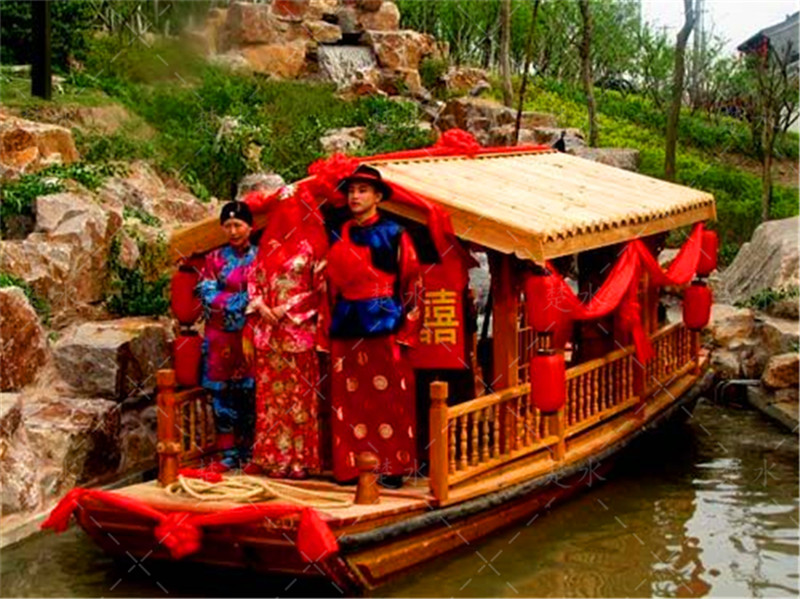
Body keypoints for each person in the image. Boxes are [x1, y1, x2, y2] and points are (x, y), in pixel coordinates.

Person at [326, 165, 423, 488]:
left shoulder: (395, 233)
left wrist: (409, 330)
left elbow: (412, 282)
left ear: (378, 197)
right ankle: (351, 466)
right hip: (346, 320)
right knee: (348, 397)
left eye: (363, 190)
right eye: (351, 191)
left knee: (389, 396)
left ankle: (392, 466)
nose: (355, 196)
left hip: (384, 319)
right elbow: (328, 285)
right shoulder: (337, 233)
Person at [245, 185, 329, 479]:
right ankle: (274, 457)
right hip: (268, 333)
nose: (286, 215)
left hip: (298, 331)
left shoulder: (312, 249)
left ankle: (300, 459)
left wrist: (287, 307)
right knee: (271, 400)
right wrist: (260, 305)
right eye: (282, 209)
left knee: (299, 398)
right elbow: (253, 282)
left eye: (292, 208)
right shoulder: (266, 248)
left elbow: (319, 290)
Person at [196, 201, 258, 472]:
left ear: (250, 227)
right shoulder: (214, 258)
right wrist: (242, 302)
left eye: (238, 225)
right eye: (228, 226)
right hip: (219, 336)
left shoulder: (260, 257)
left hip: (248, 336)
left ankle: (250, 451)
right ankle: (228, 453)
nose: (233, 231)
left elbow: (262, 292)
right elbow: (206, 293)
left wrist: (236, 300)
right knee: (221, 395)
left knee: (249, 393)